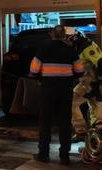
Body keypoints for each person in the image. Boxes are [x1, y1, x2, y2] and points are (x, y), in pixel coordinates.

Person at [29, 25, 84, 164]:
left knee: (45, 121)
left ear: (52, 34)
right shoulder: (70, 49)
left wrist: (37, 76)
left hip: (48, 89)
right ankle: (64, 156)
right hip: (65, 90)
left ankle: (43, 154)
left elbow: (34, 69)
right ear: (64, 35)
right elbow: (80, 70)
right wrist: (70, 76)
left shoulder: (43, 48)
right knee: (65, 122)